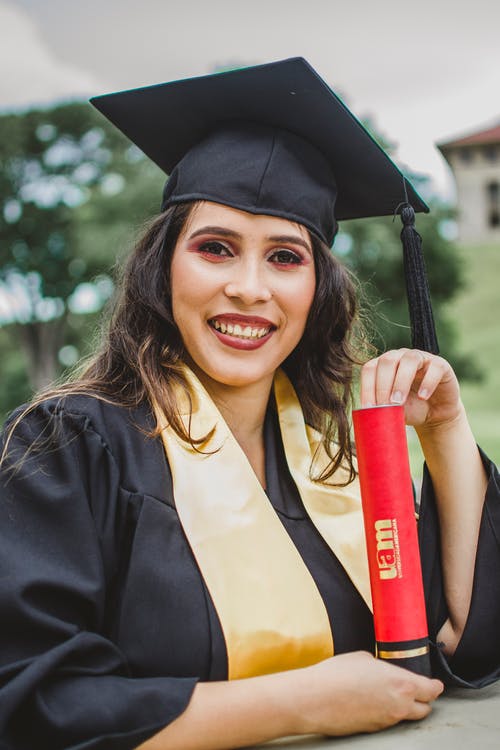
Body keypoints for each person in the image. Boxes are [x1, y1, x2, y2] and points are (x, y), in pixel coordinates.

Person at [1, 58, 499, 750]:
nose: (248, 287)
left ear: (318, 290)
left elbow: (461, 644)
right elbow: (32, 702)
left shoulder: (338, 468)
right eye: (216, 248)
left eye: (285, 257)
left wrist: (445, 431)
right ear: (162, 267)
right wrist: (298, 704)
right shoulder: (66, 449)